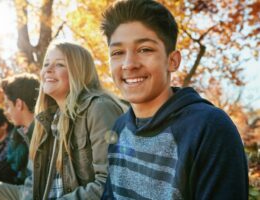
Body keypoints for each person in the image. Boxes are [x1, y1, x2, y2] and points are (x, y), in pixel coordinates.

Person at [100, 0, 248, 199]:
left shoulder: (209, 128)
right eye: (117, 53)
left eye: (145, 49)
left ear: (173, 60)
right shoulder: (119, 127)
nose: (129, 64)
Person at [0, 42, 125, 200]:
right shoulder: (45, 122)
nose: (48, 70)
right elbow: (33, 183)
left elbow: (112, 182)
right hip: (33, 196)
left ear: (78, 71)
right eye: (46, 64)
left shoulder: (99, 108)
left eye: (59, 64)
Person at [1, 73, 40, 183]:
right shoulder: (23, 133)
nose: (6, 112)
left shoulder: (40, 133)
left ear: (18, 104)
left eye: (8, 106)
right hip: (24, 189)